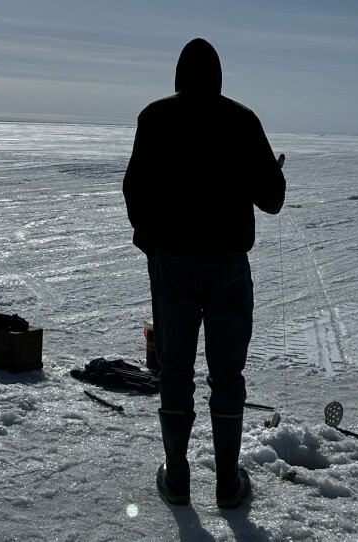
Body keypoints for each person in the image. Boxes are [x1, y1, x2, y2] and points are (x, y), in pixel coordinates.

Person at [122, 38, 285, 509]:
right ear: (217, 77)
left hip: (173, 261)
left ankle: (177, 479)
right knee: (227, 374)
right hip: (227, 264)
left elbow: (134, 189)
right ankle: (228, 484)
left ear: (179, 75)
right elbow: (272, 200)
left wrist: (152, 242)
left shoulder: (155, 117)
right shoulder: (242, 119)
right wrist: (271, 174)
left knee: (175, 371)